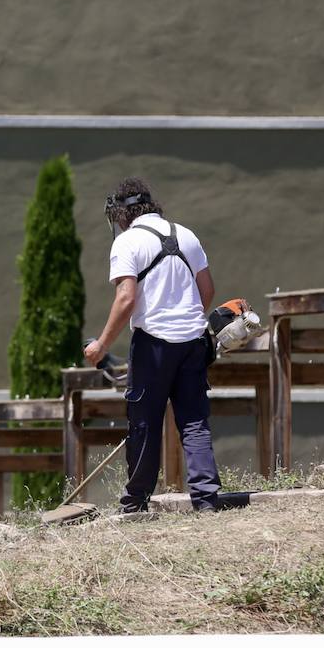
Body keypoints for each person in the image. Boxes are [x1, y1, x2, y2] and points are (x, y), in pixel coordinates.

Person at [82, 177, 220, 513]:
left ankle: (136, 502)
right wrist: (184, 320)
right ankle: (206, 500)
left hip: (153, 345)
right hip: (193, 341)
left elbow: (127, 298)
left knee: (145, 421)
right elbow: (207, 290)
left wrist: (101, 345)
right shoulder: (186, 235)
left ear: (123, 214)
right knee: (193, 420)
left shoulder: (128, 242)